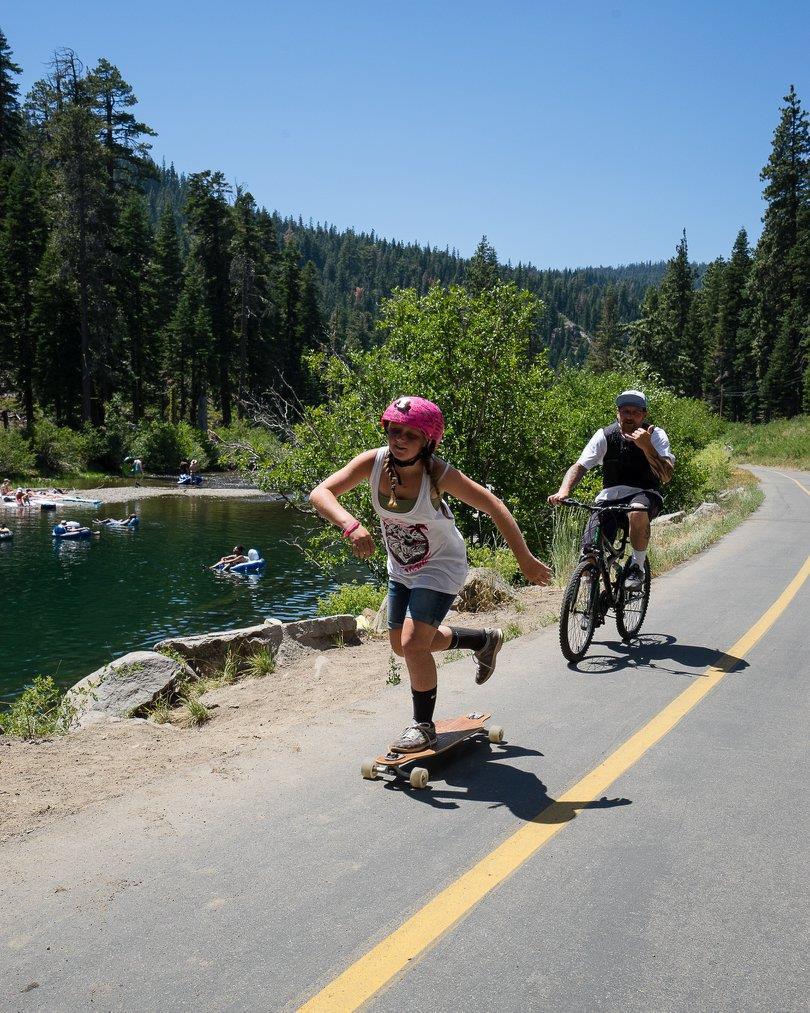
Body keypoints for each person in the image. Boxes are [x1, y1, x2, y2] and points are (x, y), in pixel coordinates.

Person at [309, 395, 551, 753]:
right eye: (395, 430)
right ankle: (481, 640)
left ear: (428, 441)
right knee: (401, 646)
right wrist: (349, 524)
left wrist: (525, 559)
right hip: (402, 568)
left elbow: (494, 506)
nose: (400, 438)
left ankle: (423, 726)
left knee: (412, 644)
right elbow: (321, 492)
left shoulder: (438, 473)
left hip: (441, 566)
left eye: (411, 434)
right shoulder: (372, 463)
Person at [547, 389, 675, 591]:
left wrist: (646, 447)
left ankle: (637, 567)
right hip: (609, 499)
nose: (630, 416)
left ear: (644, 414)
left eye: (635, 412)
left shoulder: (655, 435)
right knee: (589, 550)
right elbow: (579, 466)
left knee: (637, 509)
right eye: (625, 411)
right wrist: (564, 491)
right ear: (618, 412)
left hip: (646, 493)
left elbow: (666, 476)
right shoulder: (605, 435)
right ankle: (591, 596)